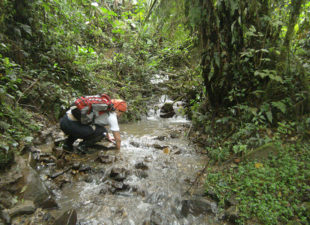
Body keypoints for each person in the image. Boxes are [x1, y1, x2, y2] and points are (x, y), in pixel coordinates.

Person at [60, 98, 127, 153]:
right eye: (122, 113)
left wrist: (108, 136)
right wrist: (118, 151)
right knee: (101, 132)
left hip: (64, 121)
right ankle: (82, 146)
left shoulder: (101, 108)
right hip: (72, 126)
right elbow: (118, 138)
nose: (121, 115)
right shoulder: (112, 116)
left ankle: (67, 145)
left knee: (85, 124)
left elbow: (96, 123)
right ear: (118, 110)